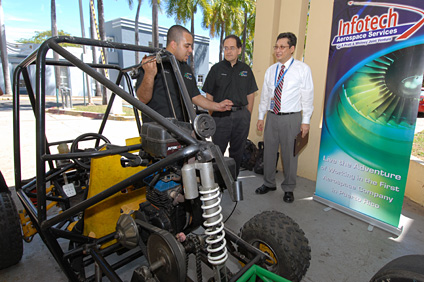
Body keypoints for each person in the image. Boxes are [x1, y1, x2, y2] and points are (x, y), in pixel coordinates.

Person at [255, 32, 314, 203]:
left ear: (292, 48)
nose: (278, 50)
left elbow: (307, 97)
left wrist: (306, 121)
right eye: (276, 47)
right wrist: (261, 116)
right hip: (272, 117)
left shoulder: (302, 69)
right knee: (269, 152)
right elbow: (266, 96)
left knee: (290, 155)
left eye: (282, 47)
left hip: (292, 119)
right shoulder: (270, 70)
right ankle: (269, 183)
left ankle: (288, 188)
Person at [135, 25, 233, 123]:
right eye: (187, 46)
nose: (190, 50)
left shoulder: (186, 68)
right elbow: (143, 99)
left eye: (191, 46)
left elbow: (195, 96)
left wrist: (218, 106)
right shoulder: (152, 62)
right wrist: (149, 74)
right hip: (157, 130)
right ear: (173, 44)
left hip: (181, 129)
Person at [202, 35, 258, 177]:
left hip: (241, 117)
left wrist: (247, 115)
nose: (228, 51)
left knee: (237, 151)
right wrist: (212, 115)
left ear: (239, 50)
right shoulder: (216, 69)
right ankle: (218, 182)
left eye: (232, 48)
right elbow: (209, 95)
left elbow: (250, 95)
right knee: (217, 151)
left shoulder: (246, 70)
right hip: (220, 117)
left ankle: (233, 179)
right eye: (226, 48)